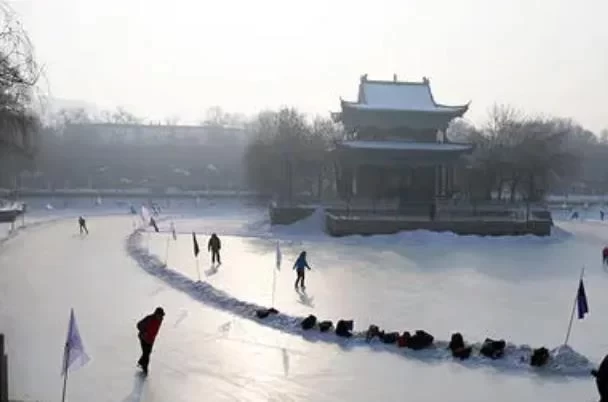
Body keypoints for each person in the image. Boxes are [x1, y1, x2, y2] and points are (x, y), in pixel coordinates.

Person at [136, 307, 165, 374]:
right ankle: (145, 369)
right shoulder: (149, 318)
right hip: (143, 338)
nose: (161, 317)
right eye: (160, 315)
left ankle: (141, 362)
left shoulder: (160, 320)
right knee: (146, 354)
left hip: (151, 339)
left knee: (148, 352)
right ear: (156, 314)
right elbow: (138, 325)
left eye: (162, 315)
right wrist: (144, 332)